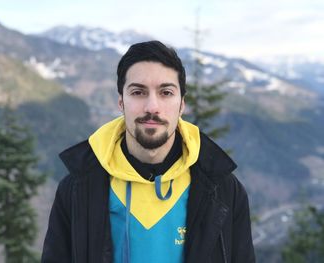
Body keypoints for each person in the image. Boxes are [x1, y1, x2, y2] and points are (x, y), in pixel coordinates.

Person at [41, 40, 255, 263]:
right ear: (121, 102)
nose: (152, 106)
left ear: (182, 104)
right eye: (138, 92)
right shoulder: (77, 189)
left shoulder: (224, 190)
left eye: (166, 92)